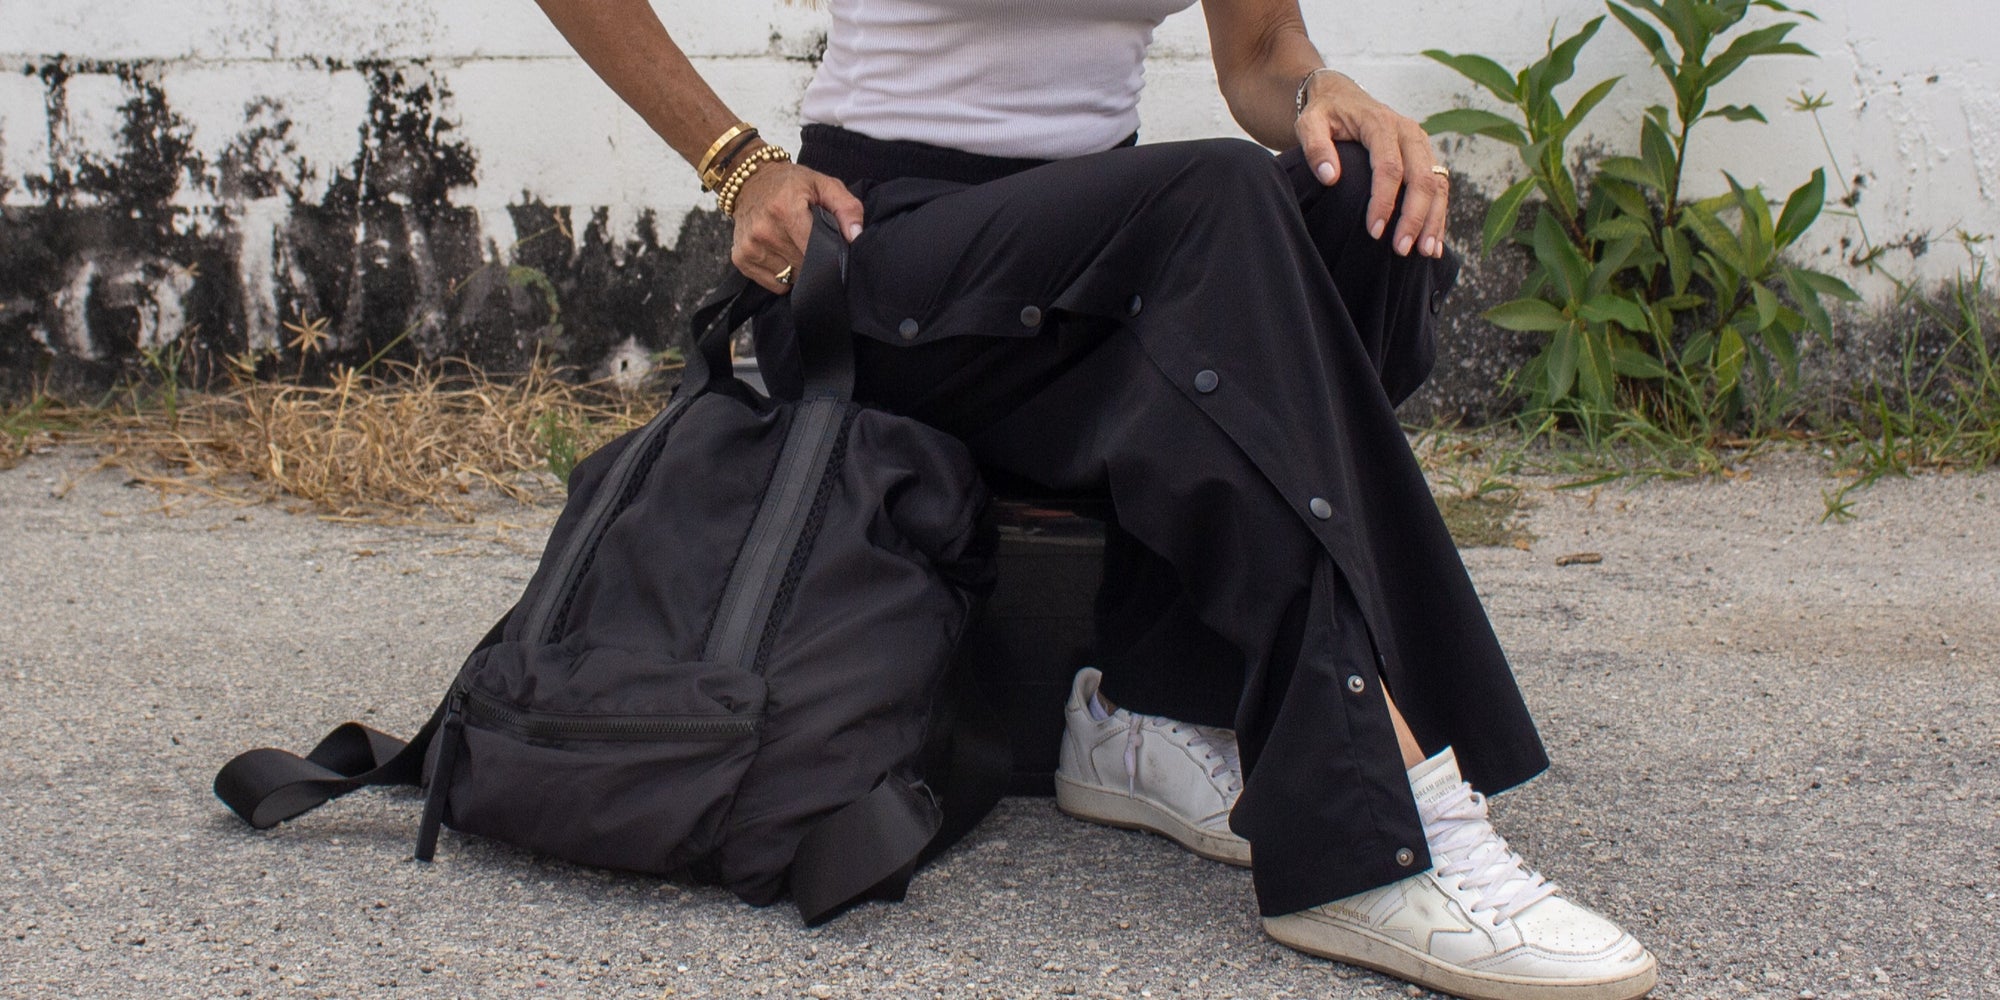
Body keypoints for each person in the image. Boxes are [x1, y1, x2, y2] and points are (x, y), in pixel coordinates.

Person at [530, 1, 1659, 997]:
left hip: (1085, 264)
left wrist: (1325, 92)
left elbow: (1261, 49)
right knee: (1212, 196)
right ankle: (1373, 827)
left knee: (1360, 199)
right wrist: (736, 161)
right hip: (884, 258)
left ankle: (1150, 709)